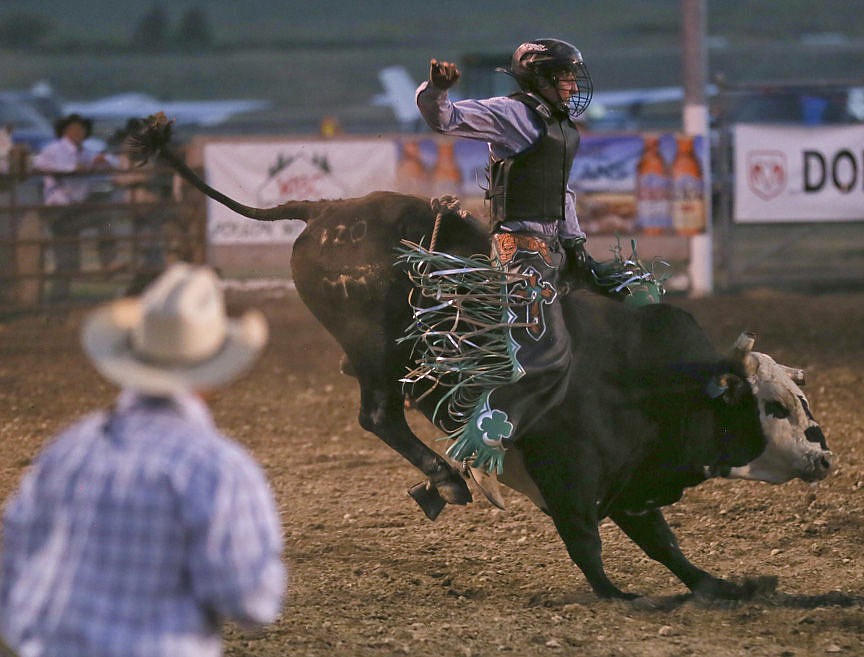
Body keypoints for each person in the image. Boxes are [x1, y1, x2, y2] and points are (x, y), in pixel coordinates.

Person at [0, 263, 286, 657]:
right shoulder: (216, 468)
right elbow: (251, 602)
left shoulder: (68, 448)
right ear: (214, 373)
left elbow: (13, 553)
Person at [413, 38, 595, 473]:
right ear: (542, 79)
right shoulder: (514, 114)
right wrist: (437, 91)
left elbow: (560, 191)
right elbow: (447, 118)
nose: (573, 84)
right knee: (545, 353)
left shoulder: (559, 123)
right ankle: (476, 446)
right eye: (565, 75)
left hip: (553, 249)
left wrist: (576, 242)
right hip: (521, 253)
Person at [32, 113, 119, 302]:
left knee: (68, 258)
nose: (79, 133)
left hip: (75, 209)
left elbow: (112, 162)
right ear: (65, 131)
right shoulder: (53, 149)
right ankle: (108, 262)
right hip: (59, 210)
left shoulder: (86, 152)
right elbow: (39, 164)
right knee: (68, 257)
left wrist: (102, 161)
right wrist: (74, 167)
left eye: (81, 129)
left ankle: (59, 302)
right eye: (74, 129)